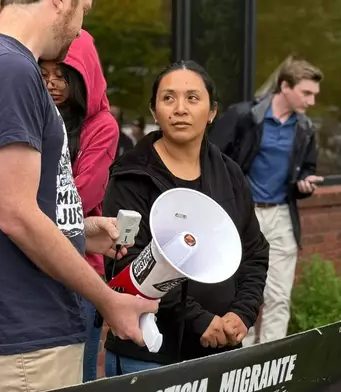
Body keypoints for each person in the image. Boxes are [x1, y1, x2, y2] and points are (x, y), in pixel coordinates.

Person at [0, 0, 158, 390]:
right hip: (21, 332)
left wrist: (80, 229)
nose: (79, 29)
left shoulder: (1, 63)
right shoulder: (9, 69)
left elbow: (5, 205)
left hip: (29, 331)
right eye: (84, 11)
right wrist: (109, 300)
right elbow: (18, 216)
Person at [102, 60, 269, 375]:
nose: (180, 108)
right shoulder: (132, 177)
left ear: (212, 112)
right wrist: (198, 320)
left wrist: (242, 314)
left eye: (192, 98)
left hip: (221, 354)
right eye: (168, 98)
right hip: (148, 358)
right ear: (154, 111)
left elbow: (254, 252)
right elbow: (129, 263)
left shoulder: (230, 174)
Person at [209, 57, 324, 345]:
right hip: (244, 217)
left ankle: (271, 361)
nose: (311, 101)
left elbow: (306, 170)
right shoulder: (245, 117)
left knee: (279, 296)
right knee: (240, 294)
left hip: (282, 216)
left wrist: (304, 185)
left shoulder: (305, 129)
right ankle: (240, 359)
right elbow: (212, 158)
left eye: (314, 95)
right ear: (285, 86)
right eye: (306, 93)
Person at [39, 28, 119, 382]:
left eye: (62, 75)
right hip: (31, 259)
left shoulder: (101, 126)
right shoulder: (34, 117)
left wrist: (31, 208)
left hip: (80, 263)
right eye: (43, 76)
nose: (53, 84)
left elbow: (82, 195)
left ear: (82, 76)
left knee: (78, 376)